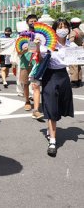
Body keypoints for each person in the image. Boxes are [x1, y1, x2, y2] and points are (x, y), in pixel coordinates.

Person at [38, 19, 78, 156]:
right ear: (54, 29)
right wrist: (36, 47)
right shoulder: (48, 43)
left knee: (59, 106)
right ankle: (53, 142)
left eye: (65, 27)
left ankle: (50, 128)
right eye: (60, 27)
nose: (63, 29)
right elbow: (38, 56)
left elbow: (78, 58)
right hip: (49, 76)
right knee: (51, 107)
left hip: (63, 76)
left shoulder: (70, 44)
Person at [18, 14, 43, 119]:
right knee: (25, 83)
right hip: (25, 62)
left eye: (35, 21)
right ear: (27, 22)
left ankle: (37, 107)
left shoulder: (41, 35)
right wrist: (24, 49)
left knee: (36, 84)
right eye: (31, 21)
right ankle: (27, 100)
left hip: (37, 62)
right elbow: (19, 52)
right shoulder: (23, 35)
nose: (33, 23)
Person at [68, 17, 83, 88]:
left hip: (73, 51)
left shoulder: (73, 31)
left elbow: (71, 40)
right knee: (78, 66)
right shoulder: (80, 31)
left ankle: (74, 81)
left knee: (73, 66)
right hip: (79, 50)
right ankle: (79, 80)